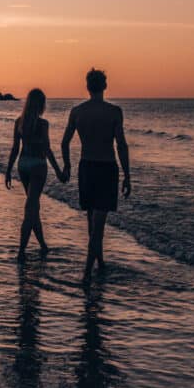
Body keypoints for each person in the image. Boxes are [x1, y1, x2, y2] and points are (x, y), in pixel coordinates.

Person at [61, 68, 131, 281]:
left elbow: (64, 142)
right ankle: (86, 275)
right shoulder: (114, 112)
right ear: (105, 86)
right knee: (98, 225)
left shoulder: (77, 111)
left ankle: (99, 263)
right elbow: (121, 145)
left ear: (87, 87)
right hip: (106, 168)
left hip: (86, 167)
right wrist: (127, 175)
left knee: (93, 222)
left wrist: (68, 166)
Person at [5, 88, 66, 259]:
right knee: (31, 209)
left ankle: (43, 246)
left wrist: (9, 170)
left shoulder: (19, 122)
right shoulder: (43, 124)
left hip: (23, 165)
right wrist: (59, 171)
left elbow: (15, 149)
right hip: (38, 166)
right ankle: (21, 252)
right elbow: (47, 149)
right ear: (41, 105)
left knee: (33, 208)